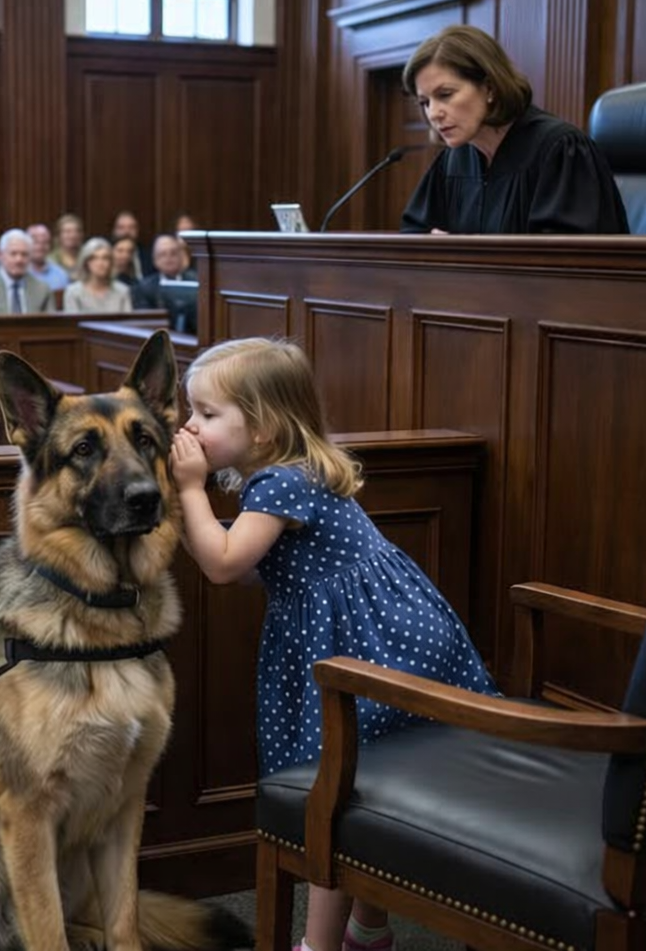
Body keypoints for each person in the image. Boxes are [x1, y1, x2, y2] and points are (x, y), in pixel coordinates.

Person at [170, 337, 499, 951]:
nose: (189, 425)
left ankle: (319, 947)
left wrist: (189, 491)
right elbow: (245, 566)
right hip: (377, 631)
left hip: (369, 646)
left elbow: (224, 567)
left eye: (207, 413)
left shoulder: (279, 485)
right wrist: (188, 516)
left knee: (336, 795)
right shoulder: (293, 472)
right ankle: (367, 930)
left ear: (264, 429)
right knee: (363, 784)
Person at [400, 25, 629, 234]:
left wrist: (464, 259)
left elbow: (567, 263)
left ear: (489, 88)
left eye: (445, 95)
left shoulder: (560, 150)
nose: (433, 113)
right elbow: (414, 234)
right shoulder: (452, 162)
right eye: (425, 102)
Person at [0, 229, 56, 314]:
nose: (19, 260)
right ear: (0, 255)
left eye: (24, 254)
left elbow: (51, 326)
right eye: (13, 254)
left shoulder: (42, 290)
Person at [131, 233, 198, 333]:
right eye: (162, 254)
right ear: (155, 260)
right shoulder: (144, 288)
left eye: (173, 253)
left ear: (181, 256)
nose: (168, 258)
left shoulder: (197, 281)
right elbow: (146, 324)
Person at [62, 237, 133, 314]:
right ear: (86, 263)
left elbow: (128, 322)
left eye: (105, 258)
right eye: (94, 258)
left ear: (111, 262)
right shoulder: (73, 292)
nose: (100, 263)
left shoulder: (123, 291)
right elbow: (72, 324)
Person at [27, 223, 70, 292]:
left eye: (45, 243)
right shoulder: (17, 272)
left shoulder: (60, 275)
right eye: (36, 242)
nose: (40, 247)